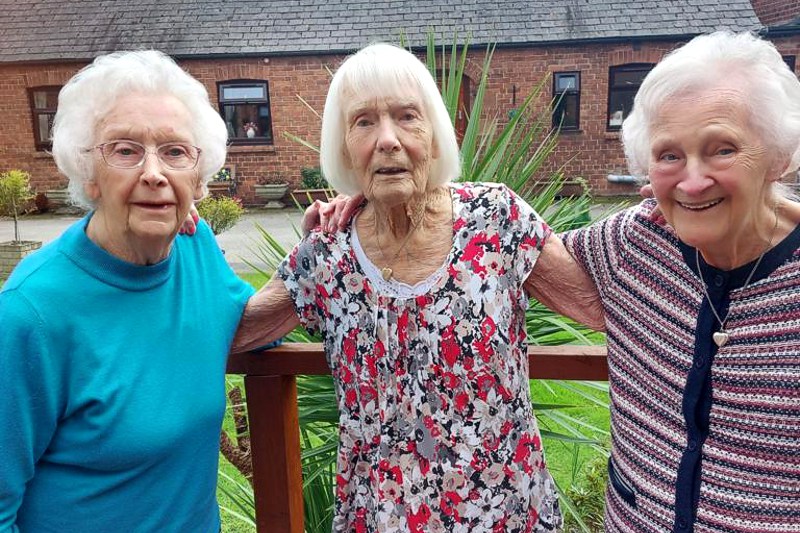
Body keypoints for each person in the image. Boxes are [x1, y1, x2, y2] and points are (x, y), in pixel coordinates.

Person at [232, 43, 603, 532]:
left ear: (434, 135)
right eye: (363, 122)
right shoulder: (327, 253)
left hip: (507, 514)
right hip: (379, 518)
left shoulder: (497, 222)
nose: (387, 139)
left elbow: (600, 304)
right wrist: (186, 247)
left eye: (407, 117)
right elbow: (236, 330)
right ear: (344, 146)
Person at [0, 50, 287, 532]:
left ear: (197, 178)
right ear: (88, 174)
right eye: (126, 150)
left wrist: (322, 251)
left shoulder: (198, 252)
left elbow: (246, 324)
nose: (154, 172)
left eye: (174, 152)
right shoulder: (32, 312)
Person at [560, 31, 800, 532]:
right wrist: (365, 204)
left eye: (723, 150)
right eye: (669, 156)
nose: (692, 182)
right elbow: (516, 246)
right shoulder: (635, 243)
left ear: (779, 156)